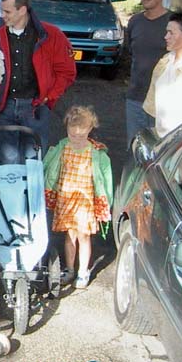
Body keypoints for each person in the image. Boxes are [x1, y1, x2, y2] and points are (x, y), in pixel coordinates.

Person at [0, 0, 77, 162]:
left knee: (33, 161)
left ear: (23, 10)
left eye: (7, 11)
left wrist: (49, 98)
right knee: (7, 162)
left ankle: (31, 190)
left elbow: (66, 72)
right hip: (4, 107)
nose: (3, 15)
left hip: (35, 108)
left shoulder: (51, 35)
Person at [44, 106, 112, 289]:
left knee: (83, 235)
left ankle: (82, 271)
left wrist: (104, 200)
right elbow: (49, 169)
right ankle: (69, 269)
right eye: (72, 135)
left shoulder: (95, 152)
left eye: (81, 136)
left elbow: (104, 179)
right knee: (70, 234)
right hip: (66, 198)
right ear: (67, 129)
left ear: (90, 130)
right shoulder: (62, 147)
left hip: (85, 200)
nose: (75, 139)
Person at [125, 0, 170, 144]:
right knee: (134, 150)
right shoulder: (135, 21)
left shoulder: (172, 23)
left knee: (160, 151)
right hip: (135, 98)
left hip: (163, 101)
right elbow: (131, 54)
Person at [143, 10, 182, 138]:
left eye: (171, 33)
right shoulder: (165, 62)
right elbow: (152, 107)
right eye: (166, 32)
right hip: (163, 141)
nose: (166, 37)